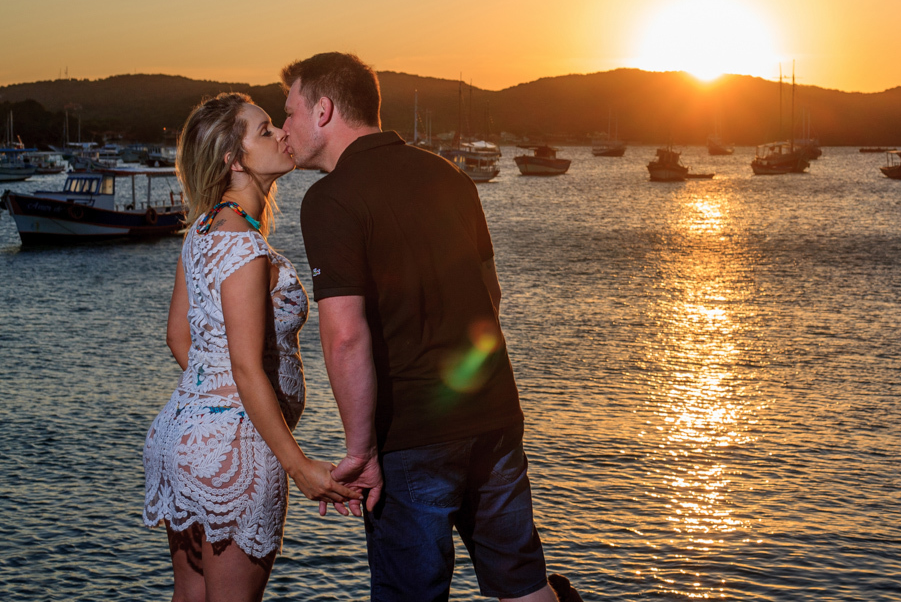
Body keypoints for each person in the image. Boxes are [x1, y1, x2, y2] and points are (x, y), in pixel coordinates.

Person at [281, 52, 577, 602]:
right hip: (493, 416)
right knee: (523, 584)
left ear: (323, 111)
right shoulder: (451, 176)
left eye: (290, 111)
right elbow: (492, 297)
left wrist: (361, 451)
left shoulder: (331, 199)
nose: (284, 128)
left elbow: (345, 336)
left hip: (410, 437)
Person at [143, 92, 361, 602]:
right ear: (234, 159)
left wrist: (209, 401)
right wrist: (299, 465)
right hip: (233, 453)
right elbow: (244, 366)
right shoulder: (242, 246)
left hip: (183, 436)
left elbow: (180, 337)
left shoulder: (201, 232)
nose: (282, 134)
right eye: (264, 130)